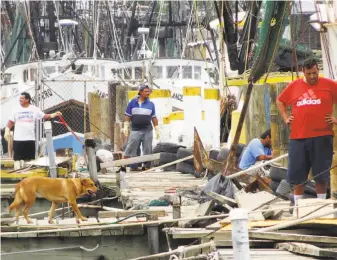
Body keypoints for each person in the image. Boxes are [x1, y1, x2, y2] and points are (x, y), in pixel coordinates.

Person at [277, 57, 337, 206]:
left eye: (315, 73)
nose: (312, 76)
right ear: (303, 72)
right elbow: (280, 100)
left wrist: (336, 119)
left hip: (323, 136)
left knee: (321, 174)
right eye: (309, 73)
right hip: (298, 137)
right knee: (298, 174)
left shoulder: (329, 85)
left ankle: (321, 205)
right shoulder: (294, 86)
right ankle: (298, 206)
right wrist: (285, 117)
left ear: (318, 70)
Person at [4, 92, 62, 169]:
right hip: (18, 139)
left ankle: (27, 176)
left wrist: (53, 114)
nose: (20, 100)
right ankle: (18, 175)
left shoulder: (34, 109)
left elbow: (44, 116)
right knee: (17, 159)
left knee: (29, 160)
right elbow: (11, 121)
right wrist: (7, 129)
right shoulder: (16, 109)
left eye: (22, 98)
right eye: (20, 98)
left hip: (30, 139)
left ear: (27, 99)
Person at [122, 84, 160, 171]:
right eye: (146, 91)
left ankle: (146, 166)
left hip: (147, 130)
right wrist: (126, 126)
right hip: (135, 129)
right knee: (131, 147)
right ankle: (130, 165)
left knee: (147, 148)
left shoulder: (151, 104)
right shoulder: (132, 103)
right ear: (140, 92)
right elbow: (128, 115)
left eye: (149, 91)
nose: (148, 93)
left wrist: (157, 128)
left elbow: (153, 117)